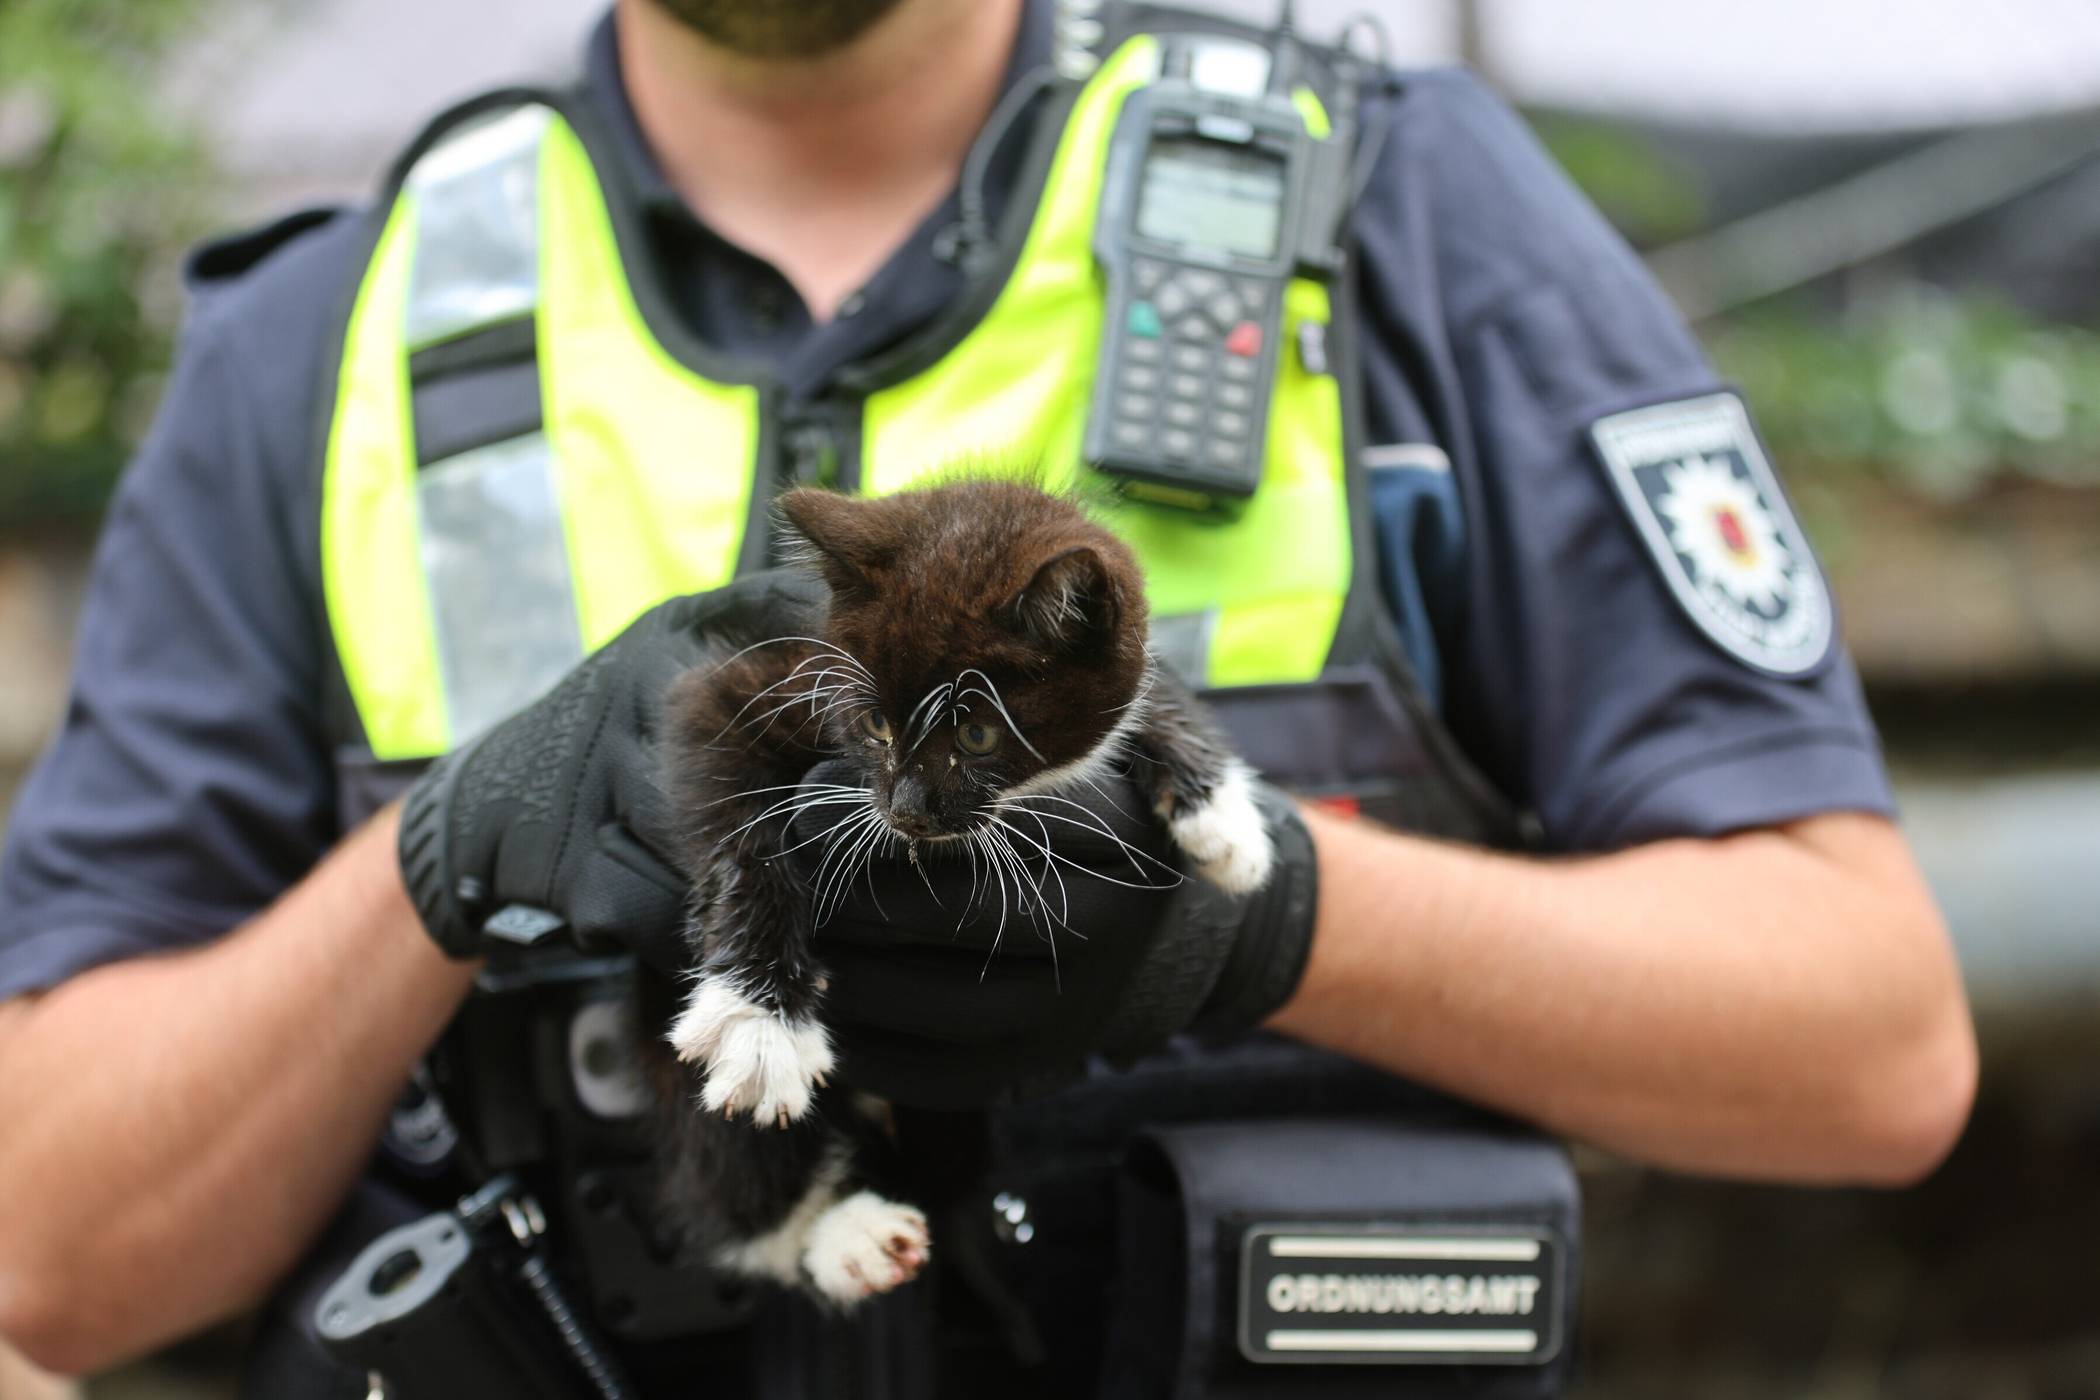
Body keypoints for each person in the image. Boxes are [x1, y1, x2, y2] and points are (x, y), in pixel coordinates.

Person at [0, 0, 1975, 1386]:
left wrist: (1273, 914)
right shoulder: (328, 338)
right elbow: (52, 1249)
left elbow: (1870, 1041)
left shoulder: (1392, 214)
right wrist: (437, 863)